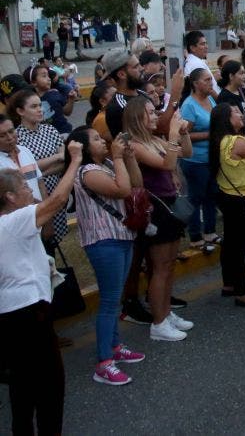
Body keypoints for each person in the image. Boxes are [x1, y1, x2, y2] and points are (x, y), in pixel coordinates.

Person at [0, 140, 82, 434]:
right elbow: (58, 200)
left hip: (10, 314)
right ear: (10, 196)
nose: (29, 190)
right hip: (28, 313)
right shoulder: (13, 221)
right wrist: (74, 160)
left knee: (22, 386)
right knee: (49, 387)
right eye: (23, 187)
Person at [68, 127, 146, 386]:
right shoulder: (88, 172)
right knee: (110, 300)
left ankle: (114, 346)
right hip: (103, 241)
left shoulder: (110, 164)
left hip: (121, 236)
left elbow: (136, 184)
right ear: (84, 147)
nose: (103, 142)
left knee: (115, 296)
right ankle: (104, 362)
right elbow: (123, 190)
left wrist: (129, 157)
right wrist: (120, 159)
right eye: (97, 139)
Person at [124, 96, 195, 341]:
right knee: (159, 267)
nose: (155, 116)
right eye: (150, 113)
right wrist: (173, 134)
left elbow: (185, 152)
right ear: (137, 118)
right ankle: (159, 321)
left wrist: (182, 133)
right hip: (156, 210)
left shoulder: (154, 139)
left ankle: (165, 312)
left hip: (169, 205)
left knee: (168, 265)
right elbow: (167, 164)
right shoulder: (135, 145)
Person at [208, 103, 245, 307]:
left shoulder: (221, 140)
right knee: (240, 246)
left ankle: (229, 284)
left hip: (228, 196)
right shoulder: (236, 141)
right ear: (226, 118)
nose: (240, 114)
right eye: (235, 112)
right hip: (241, 198)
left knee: (231, 243)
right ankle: (241, 292)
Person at [9, 89, 68, 252]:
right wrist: (55, 159)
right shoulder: (16, 137)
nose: (40, 110)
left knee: (52, 244)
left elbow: (64, 161)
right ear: (20, 111)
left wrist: (37, 171)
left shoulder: (50, 130)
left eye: (40, 105)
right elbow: (23, 167)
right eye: (34, 106)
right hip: (32, 197)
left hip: (55, 191)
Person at [179, 68, 220, 252]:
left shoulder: (210, 98)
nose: (210, 82)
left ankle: (210, 231)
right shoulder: (189, 105)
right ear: (195, 84)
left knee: (211, 195)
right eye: (206, 80)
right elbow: (184, 134)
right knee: (195, 198)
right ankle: (195, 235)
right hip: (195, 160)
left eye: (211, 79)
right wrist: (209, 135)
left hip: (210, 157)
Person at [23, 65, 74, 136]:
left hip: (64, 132)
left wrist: (71, 99)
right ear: (34, 82)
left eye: (48, 76)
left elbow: (67, 112)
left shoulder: (55, 93)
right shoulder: (30, 101)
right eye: (44, 76)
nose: (49, 79)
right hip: (45, 137)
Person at [183, 30, 220, 96]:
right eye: (202, 44)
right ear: (193, 48)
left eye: (206, 43)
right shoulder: (196, 64)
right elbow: (208, 89)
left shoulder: (195, 61)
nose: (206, 47)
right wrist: (221, 101)